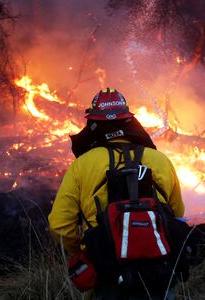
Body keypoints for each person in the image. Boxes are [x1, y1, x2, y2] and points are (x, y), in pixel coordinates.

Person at [48, 88, 186, 299]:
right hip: (160, 271)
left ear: (93, 125)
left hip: (106, 272)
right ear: (129, 122)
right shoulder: (160, 161)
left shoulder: (82, 165)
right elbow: (177, 214)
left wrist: (83, 252)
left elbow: (59, 226)